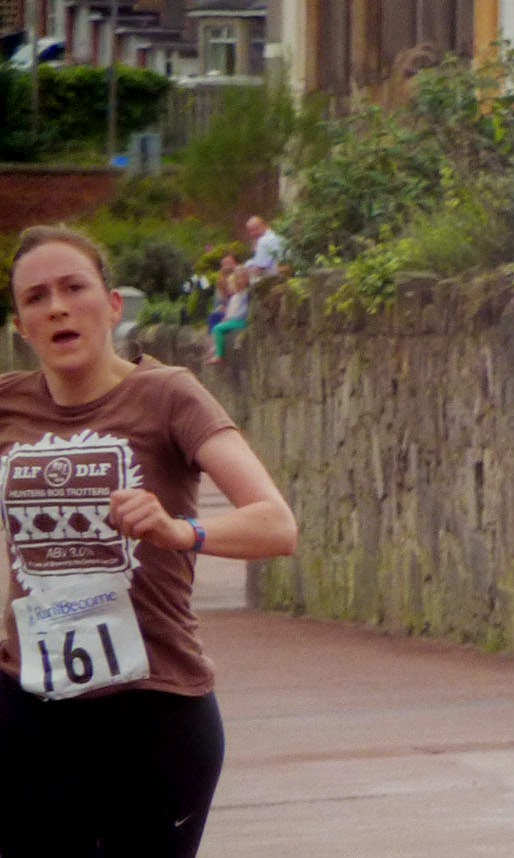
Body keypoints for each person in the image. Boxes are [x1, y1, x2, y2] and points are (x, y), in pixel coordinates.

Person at [0, 225, 299, 857]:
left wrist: (178, 531)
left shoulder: (168, 395)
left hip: (155, 712)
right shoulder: (7, 405)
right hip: (30, 707)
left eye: (74, 287)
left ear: (112, 307)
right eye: (35, 297)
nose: (56, 306)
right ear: (22, 325)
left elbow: (276, 524)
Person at [207, 264, 250, 364]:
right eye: (237, 278)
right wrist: (227, 317)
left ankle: (219, 356)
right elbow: (231, 311)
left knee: (217, 328)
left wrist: (230, 318)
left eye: (241, 278)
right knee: (217, 324)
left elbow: (242, 312)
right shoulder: (236, 297)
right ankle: (217, 346)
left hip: (241, 321)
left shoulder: (245, 294)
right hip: (235, 320)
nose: (238, 281)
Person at [243, 215, 285, 282]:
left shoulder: (263, 241)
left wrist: (246, 268)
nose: (253, 233)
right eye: (250, 231)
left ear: (265, 225)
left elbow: (258, 270)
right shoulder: (277, 235)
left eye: (256, 229)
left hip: (275, 281)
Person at [205, 252, 238, 332]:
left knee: (217, 316)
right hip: (225, 306)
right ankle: (215, 338)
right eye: (224, 264)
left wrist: (227, 308)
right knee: (214, 315)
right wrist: (221, 307)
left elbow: (236, 298)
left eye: (229, 263)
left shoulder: (237, 276)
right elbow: (221, 299)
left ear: (234, 263)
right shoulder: (221, 279)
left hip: (234, 309)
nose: (226, 266)